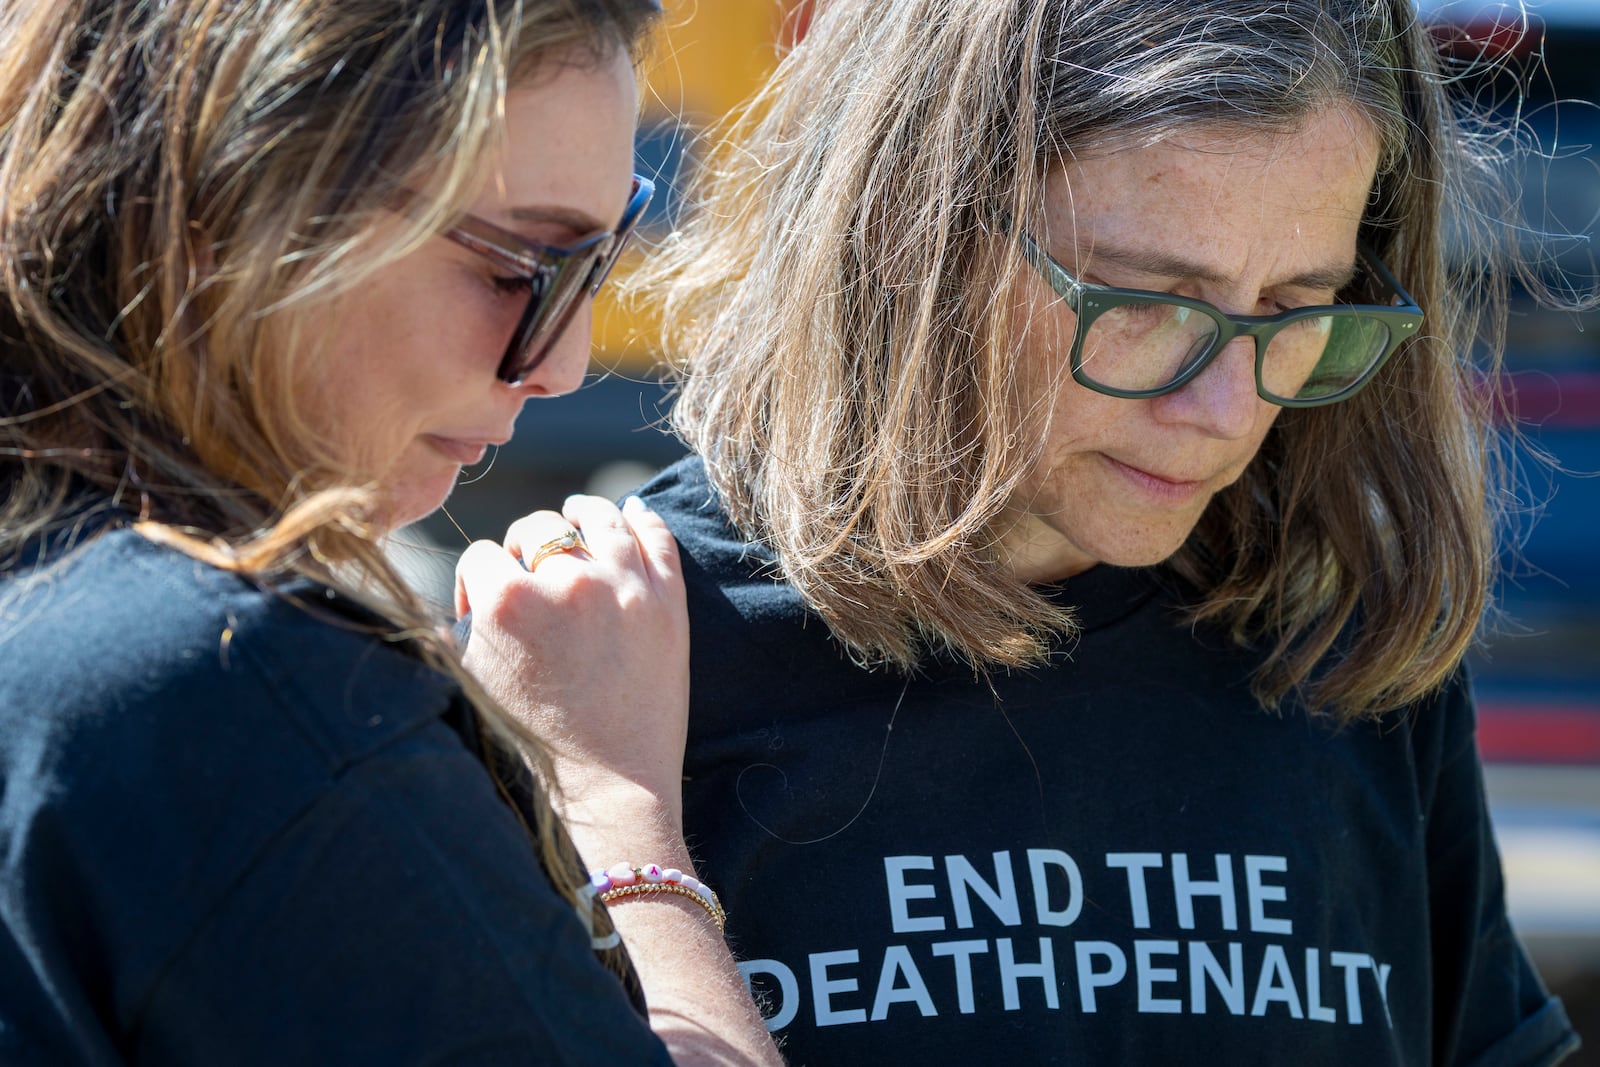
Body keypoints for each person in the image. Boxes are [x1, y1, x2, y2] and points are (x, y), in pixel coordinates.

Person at [630, 0, 1586, 1061]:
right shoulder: (622, 658)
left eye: (1294, 305)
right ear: (910, 233)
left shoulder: (1335, 634)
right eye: (1143, 299)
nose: (1224, 410)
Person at [0, 1, 781, 1063]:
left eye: (596, 264)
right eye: (519, 266)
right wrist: (614, 800)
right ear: (237, 192)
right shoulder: (234, 687)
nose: (559, 362)